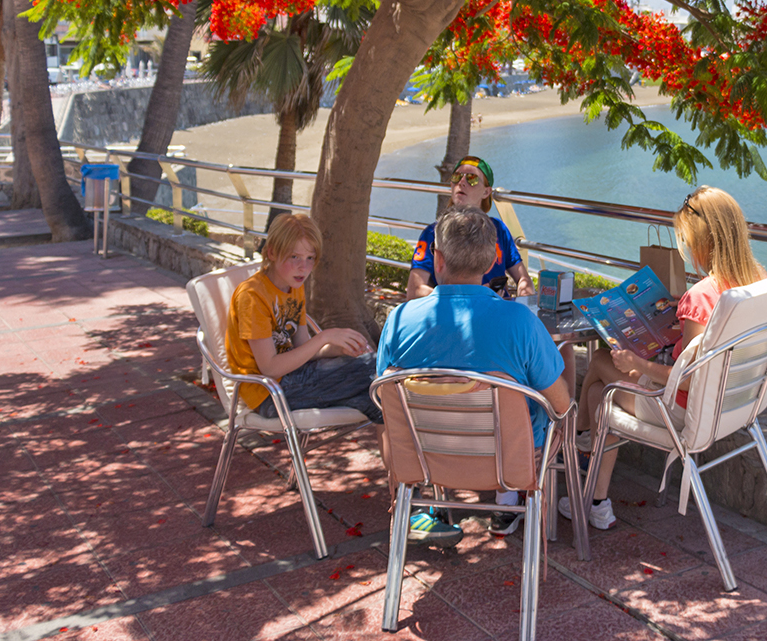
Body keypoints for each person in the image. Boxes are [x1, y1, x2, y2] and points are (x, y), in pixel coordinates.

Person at [562, 185, 767, 530]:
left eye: (687, 240)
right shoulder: (756, 281)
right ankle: (595, 501)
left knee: (600, 364)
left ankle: (581, 442)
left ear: (703, 240)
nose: (686, 248)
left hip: (682, 410)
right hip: (736, 405)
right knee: (601, 398)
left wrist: (637, 365)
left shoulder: (701, 295)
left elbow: (688, 378)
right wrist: (681, 318)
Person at [379, 206, 571, 542]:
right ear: (488, 263)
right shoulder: (520, 322)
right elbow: (560, 404)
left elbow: (386, 397)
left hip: (425, 459)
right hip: (510, 463)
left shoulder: (398, 320)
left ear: (437, 260)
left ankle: (421, 509)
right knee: (560, 409)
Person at [226, 213, 382, 427]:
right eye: (294, 257)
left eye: (310, 258)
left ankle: (410, 456)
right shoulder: (252, 296)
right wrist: (325, 336)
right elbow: (270, 368)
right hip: (270, 394)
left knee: (381, 400)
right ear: (271, 252)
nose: (304, 267)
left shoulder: (293, 287)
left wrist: (338, 348)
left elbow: (303, 349)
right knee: (379, 367)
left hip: (296, 379)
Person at [407, 156, 534, 299]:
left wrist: (525, 300)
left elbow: (523, 279)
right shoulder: (432, 233)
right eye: (456, 177)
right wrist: (477, 295)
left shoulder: (498, 229)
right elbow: (414, 292)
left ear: (486, 192)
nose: (461, 182)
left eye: (472, 179)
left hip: (498, 310)